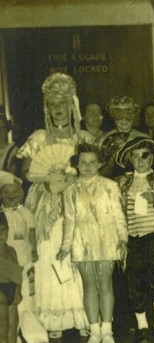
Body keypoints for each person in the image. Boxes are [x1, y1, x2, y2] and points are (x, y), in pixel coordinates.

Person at [18, 72, 91, 342]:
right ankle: (53, 319)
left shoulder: (83, 138)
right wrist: (47, 178)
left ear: (72, 106)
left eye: (62, 105)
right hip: (47, 204)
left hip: (79, 204)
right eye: (53, 105)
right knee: (49, 254)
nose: (58, 110)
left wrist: (74, 177)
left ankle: (83, 316)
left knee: (78, 254)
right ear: (47, 109)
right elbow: (26, 170)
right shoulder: (38, 138)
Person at [58, 143, 128, 343]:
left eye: (92, 162)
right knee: (89, 285)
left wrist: (123, 238)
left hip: (107, 239)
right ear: (77, 165)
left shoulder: (110, 186)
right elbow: (69, 220)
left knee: (105, 283)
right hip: (81, 240)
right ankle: (94, 330)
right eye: (83, 162)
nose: (88, 166)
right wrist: (65, 246)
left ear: (99, 164)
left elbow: (118, 215)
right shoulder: (70, 190)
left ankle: (107, 330)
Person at [114, 137, 154, 343]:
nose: (140, 160)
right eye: (135, 156)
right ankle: (143, 329)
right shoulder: (122, 182)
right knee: (135, 282)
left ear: (152, 157)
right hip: (133, 237)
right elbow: (116, 212)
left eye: (145, 156)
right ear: (129, 158)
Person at [97, 96, 148, 179]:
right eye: (118, 115)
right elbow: (98, 172)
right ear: (112, 115)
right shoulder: (103, 140)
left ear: (134, 115)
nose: (123, 120)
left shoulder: (144, 138)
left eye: (128, 115)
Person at [0, 213, 22, 343]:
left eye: (2, 230)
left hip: (12, 291)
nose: (0, 235)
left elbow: (17, 274)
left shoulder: (11, 251)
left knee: (13, 326)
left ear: (8, 230)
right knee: (2, 326)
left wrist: (18, 292)